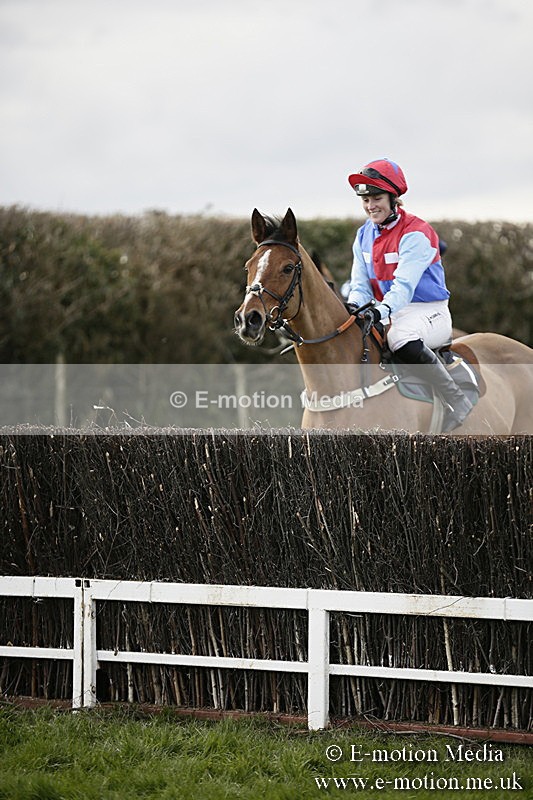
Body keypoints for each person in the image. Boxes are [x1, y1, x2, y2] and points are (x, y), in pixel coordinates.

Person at [345, 157, 472, 432]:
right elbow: (360, 285)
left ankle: (456, 399)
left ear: (394, 198)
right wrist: (354, 308)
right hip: (391, 311)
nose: (370, 206)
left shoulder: (417, 232)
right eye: (365, 200)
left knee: (399, 337)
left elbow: (403, 288)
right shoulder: (363, 235)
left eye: (376, 198)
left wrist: (378, 311)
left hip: (429, 311)